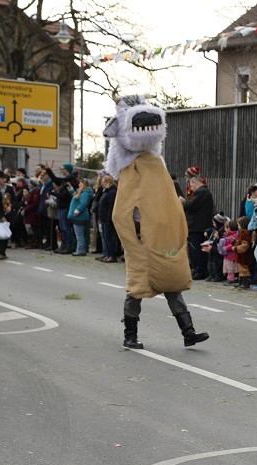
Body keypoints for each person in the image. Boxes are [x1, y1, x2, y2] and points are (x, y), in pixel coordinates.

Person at [104, 94, 209, 351]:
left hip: (159, 234)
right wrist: (134, 232)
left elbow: (169, 201)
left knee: (172, 282)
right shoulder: (131, 167)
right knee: (137, 287)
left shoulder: (156, 163)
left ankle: (188, 332)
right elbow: (123, 209)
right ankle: (130, 334)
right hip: (140, 238)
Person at [181, 170, 214, 280]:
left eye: (191, 185)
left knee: (196, 250)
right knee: (196, 249)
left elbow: (191, 206)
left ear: (195, 183)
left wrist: (183, 201)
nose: (191, 188)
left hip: (197, 226)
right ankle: (198, 269)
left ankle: (201, 270)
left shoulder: (201, 192)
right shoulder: (205, 192)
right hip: (199, 225)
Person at [68, 178, 94, 256]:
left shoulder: (85, 193)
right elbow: (75, 196)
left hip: (80, 216)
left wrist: (78, 210)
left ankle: (81, 250)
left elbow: (83, 203)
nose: (79, 184)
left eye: (81, 183)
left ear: (84, 185)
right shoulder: (81, 192)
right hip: (78, 216)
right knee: (79, 234)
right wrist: (70, 189)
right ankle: (81, 249)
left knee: (79, 234)